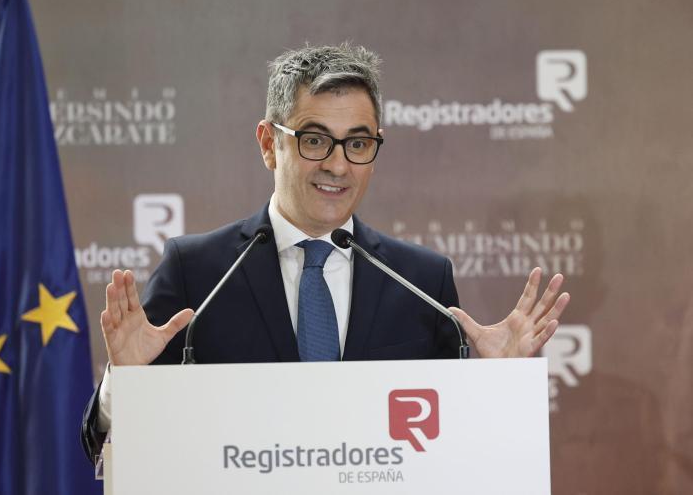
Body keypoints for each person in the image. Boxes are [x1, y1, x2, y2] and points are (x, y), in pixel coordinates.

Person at [80, 43, 570, 464]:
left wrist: (497, 385)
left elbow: (453, 448)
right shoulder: (198, 273)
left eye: (358, 143)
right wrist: (127, 384)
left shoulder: (421, 281)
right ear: (269, 143)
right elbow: (106, 445)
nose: (338, 165)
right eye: (315, 140)